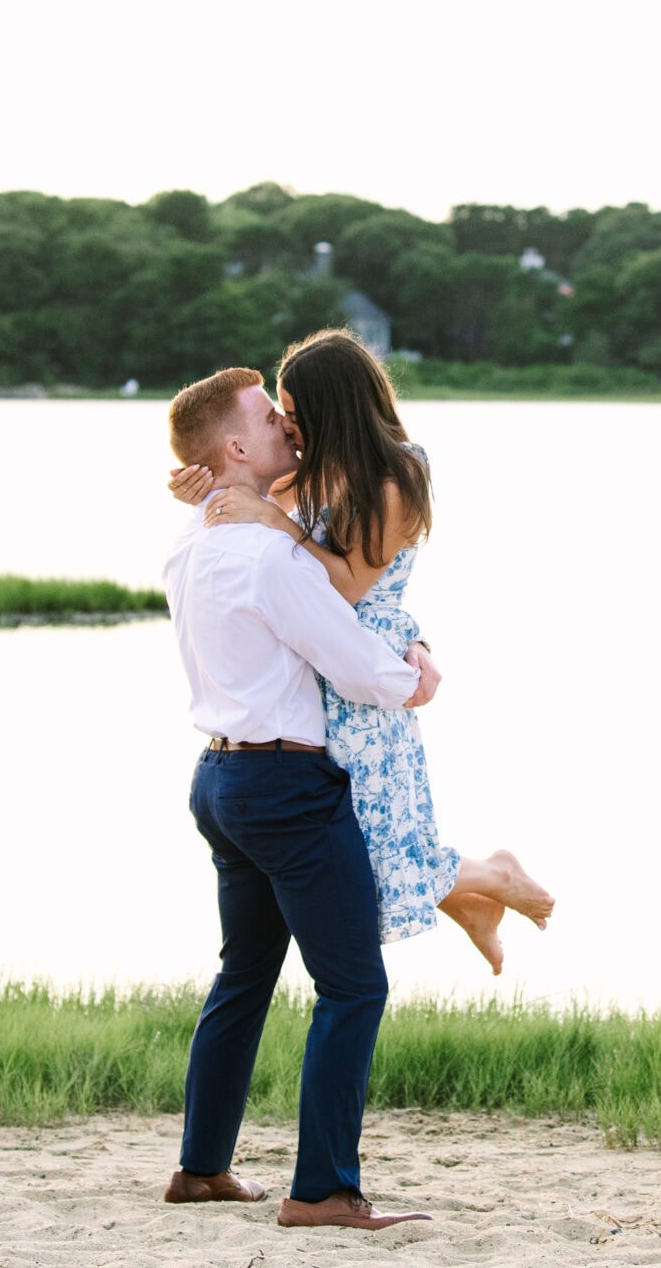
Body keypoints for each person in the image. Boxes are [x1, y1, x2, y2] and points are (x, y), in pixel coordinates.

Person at [167, 329, 554, 973]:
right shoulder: (311, 466)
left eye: (294, 414)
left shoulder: (397, 473)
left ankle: (488, 879)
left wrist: (277, 524)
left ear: (333, 408)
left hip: (361, 657)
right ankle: (475, 894)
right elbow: (246, 490)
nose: (288, 430)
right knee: (369, 844)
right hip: (325, 660)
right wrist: (199, 486)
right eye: (280, 416)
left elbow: (346, 582)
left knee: (373, 841)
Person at [158, 364, 433, 1228]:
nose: (287, 423)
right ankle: (321, 1190)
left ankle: (202, 1168)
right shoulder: (276, 558)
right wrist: (416, 676)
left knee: (243, 976)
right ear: (238, 447)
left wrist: (218, 490)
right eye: (268, 416)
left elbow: (280, 501)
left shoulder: (193, 542)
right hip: (285, 785)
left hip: (219, 779)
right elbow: (352, 662)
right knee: (353, 986)